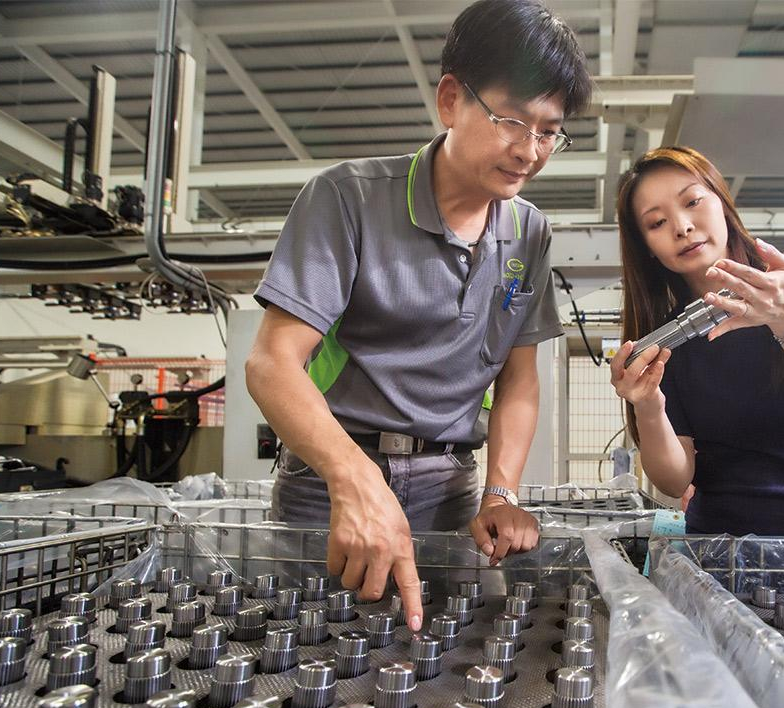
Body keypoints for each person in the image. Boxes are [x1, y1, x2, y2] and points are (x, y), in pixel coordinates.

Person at [245, 0, 591, 630]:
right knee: (308, 650)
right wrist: (353, 479)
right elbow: (272, 363)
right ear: (451, 99)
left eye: (549, 131)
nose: (530, 150)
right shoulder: (347, 198)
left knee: (439, 658)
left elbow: (517, 378)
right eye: (513, 120)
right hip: (330, 479)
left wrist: (502, 491)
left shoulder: (529, 232)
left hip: (448, 486)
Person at [610, 146, 784, 541]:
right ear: (647, 246)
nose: (682, 226)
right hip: (721, 549)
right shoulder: (669, 340)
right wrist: (648, 406)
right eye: (657, 222)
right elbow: (673, 479)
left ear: (722, 202)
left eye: (693, 201)